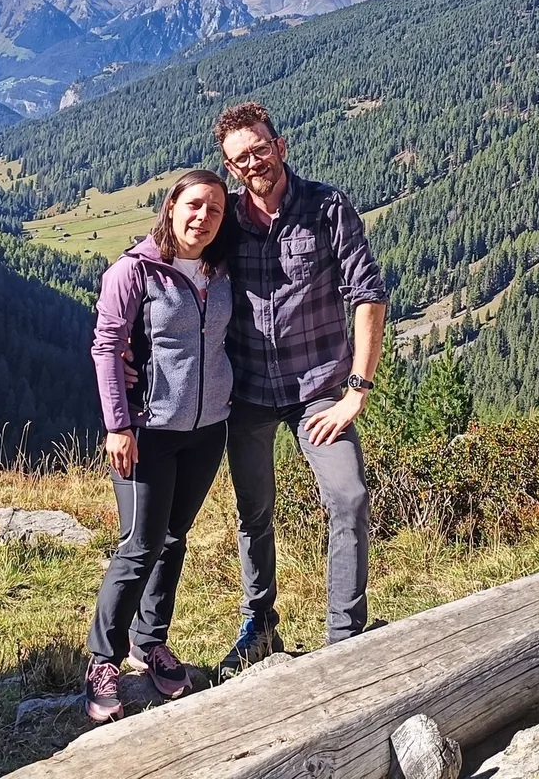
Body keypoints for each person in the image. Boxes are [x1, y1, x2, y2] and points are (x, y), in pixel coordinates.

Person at [213, 100, 388, 674]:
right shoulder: (227, 220)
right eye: (240, 158)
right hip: (250, 391)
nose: (253, 163)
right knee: (252, 511)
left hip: (319, 390)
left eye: (260, 149)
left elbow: (367, 295)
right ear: (230, 167)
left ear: (281, 146)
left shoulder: (328, 207)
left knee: (349, 497)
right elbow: (174, 259)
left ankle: (346, 634)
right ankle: (259, 621)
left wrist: (357, 390)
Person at [83, 169, 236, 723]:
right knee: (139, 545)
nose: (203, 218)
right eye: (194, 205)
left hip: (207, 428)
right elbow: (107, 348)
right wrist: (117, 425)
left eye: (215, 210)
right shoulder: (133, 271)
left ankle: (151, 644)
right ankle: (103, 659)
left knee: (174, 540)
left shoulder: (220, 269)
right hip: (148, 430)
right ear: (171, 206)